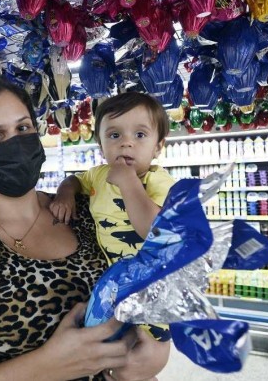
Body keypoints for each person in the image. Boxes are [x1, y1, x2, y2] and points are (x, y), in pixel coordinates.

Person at [0, 75, 170, 381]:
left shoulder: (87, 211)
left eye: (23, 128)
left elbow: (155, 268)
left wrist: (156, 348)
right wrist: (46, 366)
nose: (16, 143)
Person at [50, 92, 176, 341]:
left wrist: (129, 183)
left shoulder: (158, 181)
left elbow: (154, 231)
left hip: (154, 288)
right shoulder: (98, 175)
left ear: (158, 146)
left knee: (145, 352)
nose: (126, 143)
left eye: (140, 135)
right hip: (117, 286)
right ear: (100, 144)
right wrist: (65, 193)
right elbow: (75, 180)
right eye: (114, 135)